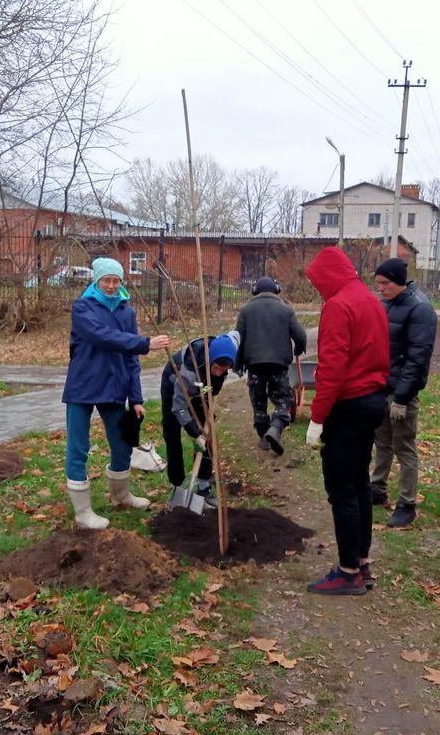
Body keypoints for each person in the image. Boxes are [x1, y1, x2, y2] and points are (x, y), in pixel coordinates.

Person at [303, 247, 390, 595]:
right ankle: (362, 561)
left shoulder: (338, 306)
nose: (317, 289)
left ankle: (348, 571)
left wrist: (317, 417)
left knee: (342, 489)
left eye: (317, 282)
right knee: (358, 485)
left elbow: (333, 367)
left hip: (348, 405)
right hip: (372, 401)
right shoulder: (370, 300)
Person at [62, 257, 171, 529]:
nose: (111, 286)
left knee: (123, 445)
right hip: (83, 387)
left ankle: (121, 496)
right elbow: (102, 336)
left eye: (116, 280)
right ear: (96, 281)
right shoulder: (83, 307)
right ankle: (83, 512)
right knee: (78, 448)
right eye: (106, 280)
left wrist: (135, 398)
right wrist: (146, 343)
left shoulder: (126, 311)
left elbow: (131, 357)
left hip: (114, 388)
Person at [369, 258, 438, 528]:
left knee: (404, 448)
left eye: (385, 283)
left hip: (401, 393)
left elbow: (418, 358)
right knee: (382, 443)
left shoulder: (420, 309)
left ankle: (407, 504)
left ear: (399, 280)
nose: (381, 288)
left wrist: (402, 397)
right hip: (381, 387)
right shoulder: (385, 303)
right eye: (378, 284)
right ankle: (376, 489)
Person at [161, 330, 240, 508]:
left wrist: (203, 429)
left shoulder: (224, 356)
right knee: (172, 435)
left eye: (224, 370)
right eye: (217, 368)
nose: (220, 373)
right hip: (174, 384)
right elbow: (178, 407)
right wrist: (194, 432)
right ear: (210, 360)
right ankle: (177, 486)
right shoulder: (190, 370)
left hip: (202, 388)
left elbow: (237, 335)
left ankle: (203, 487)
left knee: (207, 434)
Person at [234, 276, 308, 455]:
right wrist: (298, 349)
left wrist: (238, 363)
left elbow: (238, 338)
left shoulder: (245, 310)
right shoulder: (286, 310)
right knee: (284, 399)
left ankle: (263, 435)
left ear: (255, 291)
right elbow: (301, 336)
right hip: (278, 365)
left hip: (254, 365)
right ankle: (275, 428)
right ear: (276, 290)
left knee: (258, 401)